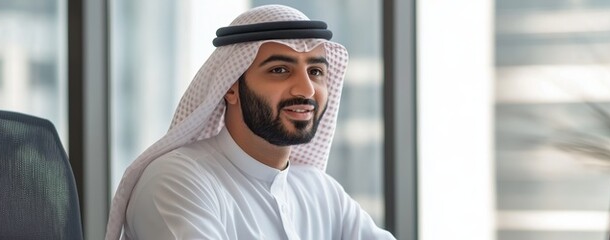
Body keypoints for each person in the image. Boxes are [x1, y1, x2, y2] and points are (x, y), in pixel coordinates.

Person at [104, 5, 395, 240]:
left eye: (316, 71)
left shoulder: (319, 191)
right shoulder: (178, 180)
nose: (306, 89)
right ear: (230, 86)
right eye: (280, 70)